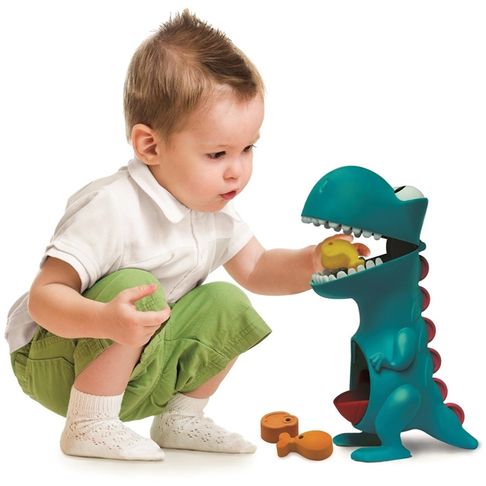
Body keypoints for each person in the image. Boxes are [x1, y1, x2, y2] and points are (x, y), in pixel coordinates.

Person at [6, 10, 325, 461]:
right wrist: (103, 320)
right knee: (139, 289)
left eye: (247, 148)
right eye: (217, 154)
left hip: (142, 368)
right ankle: (88, 424)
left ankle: (181, 418)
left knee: (228, 301)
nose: (237, 170)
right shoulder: (112, 206)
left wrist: (312, 262)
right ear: (150, 146)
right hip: (57, 361)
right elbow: (44, 298)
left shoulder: (214, 210)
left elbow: (257, 269)